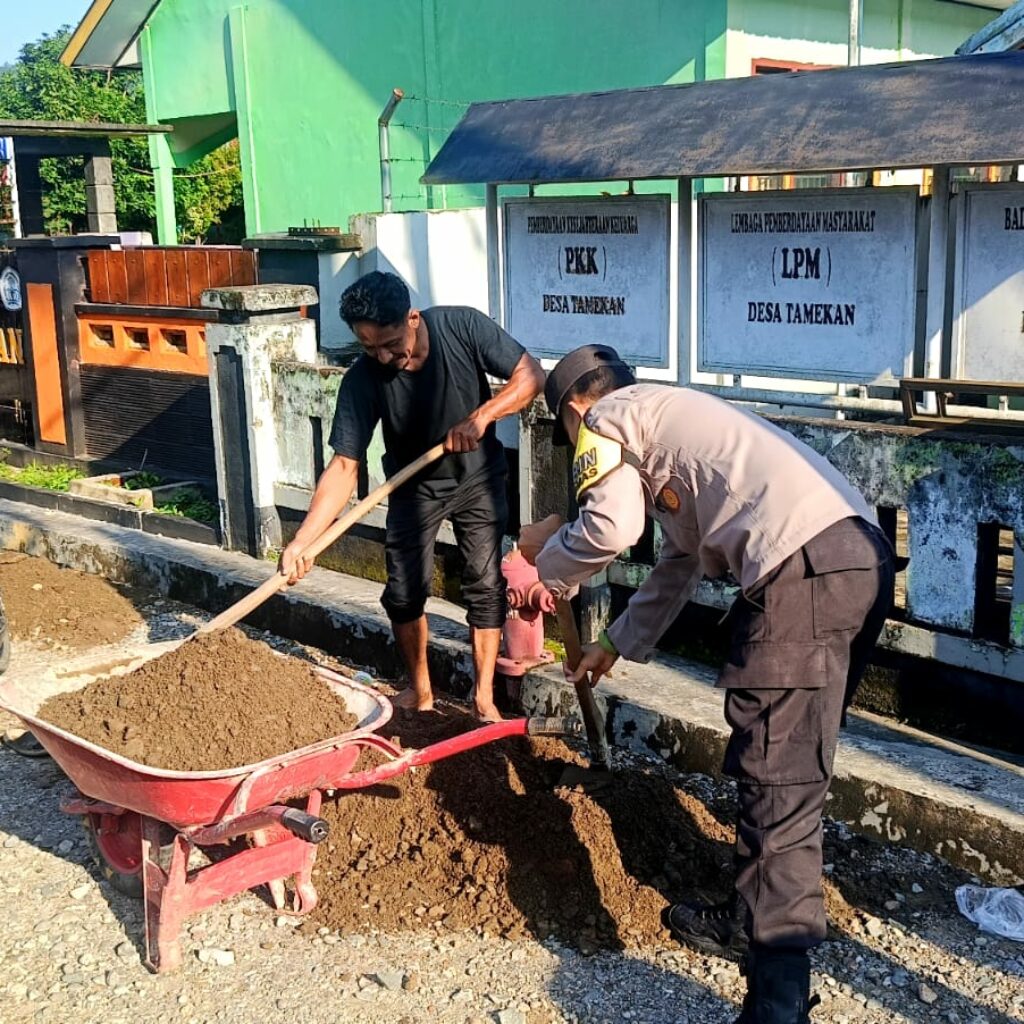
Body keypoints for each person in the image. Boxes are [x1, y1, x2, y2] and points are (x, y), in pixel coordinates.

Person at [518, 345, 895, 1024]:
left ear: (573, 410)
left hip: (798, 573)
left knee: (779, 786)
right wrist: (614, 643)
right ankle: (750, 921)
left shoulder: (603, 418)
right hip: (855, 559)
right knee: (786, 771)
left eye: (567, 440)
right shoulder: (668, 416)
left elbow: (608, 526)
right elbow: (680, 559)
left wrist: (545, 562)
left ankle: (776, 1007)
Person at [280, 272, 544, 722]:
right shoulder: (364, 379)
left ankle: (483, 698)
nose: (383, 357)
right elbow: (344, 466)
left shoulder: (463, 327)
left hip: (478, 479)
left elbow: (530, 375)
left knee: (484, 585)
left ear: (413, 318)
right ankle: (420, 691)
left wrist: (483, 417)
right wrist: (304, 540)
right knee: (403, 594)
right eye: (368, 348)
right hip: (410, 487)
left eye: (390, 342)